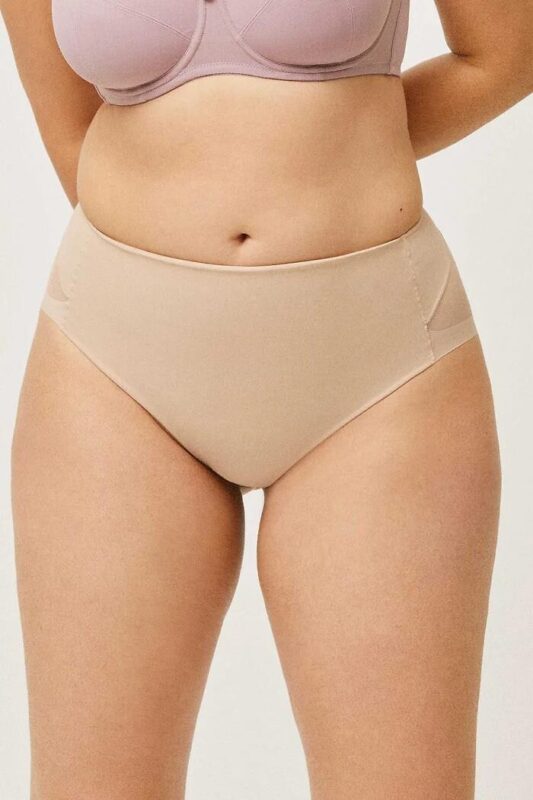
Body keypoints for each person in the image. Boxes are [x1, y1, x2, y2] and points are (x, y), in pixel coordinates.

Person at [3, 0, 531, 797]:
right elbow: (72, 138)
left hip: (373, 363)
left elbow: (504, 57)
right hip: (116, 362)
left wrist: (349, 144)